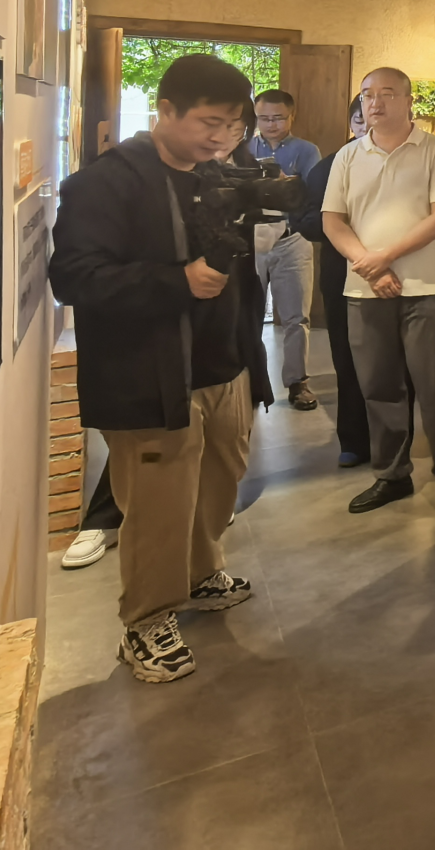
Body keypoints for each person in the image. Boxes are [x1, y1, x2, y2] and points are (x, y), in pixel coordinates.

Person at [48, 54, 274, 684]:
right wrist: (177, 282)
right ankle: (146, 619)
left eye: (232, 126)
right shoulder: (104, 184)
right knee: (157, 503)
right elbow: (74, 277)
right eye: (209, 123)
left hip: (224, 363)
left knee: (218, 482)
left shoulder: (215, 176)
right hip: (151, 372)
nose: (221, 138)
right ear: (165, 110)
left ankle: (200, 575)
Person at [322, 66, 435, 515]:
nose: (375, 102)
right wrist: (370, 267)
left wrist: (385, 256)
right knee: (378, 386)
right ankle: (391, 474)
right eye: (368, 94)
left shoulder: (434, 150)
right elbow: (333, 220)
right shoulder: (348, 156)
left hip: (423, 288)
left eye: (386, 93)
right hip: (364, 290)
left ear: (408, 101)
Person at [292, 97, 372, 468]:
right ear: (351, 123)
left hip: (395, 274)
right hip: (342, 273)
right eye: (359, 119)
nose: (366, 126)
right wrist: (338, 223)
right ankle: (353, 440)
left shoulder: (409, 164)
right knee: (347, 357)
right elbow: (307, 222)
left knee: (393, 364)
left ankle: (393, 443)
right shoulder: (330, 166)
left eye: (373, 118)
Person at [249, 89, 322, 411]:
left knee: (296, 316)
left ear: (292, 116)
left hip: (293, 237)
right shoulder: (244, 148)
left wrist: (286, 185)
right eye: (263, 118)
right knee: (248, 313)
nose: (271, 124)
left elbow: (315, 193)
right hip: (252, 236)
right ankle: (251, 381)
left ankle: (297, 382)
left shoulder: (306, 150)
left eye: (278, 118)